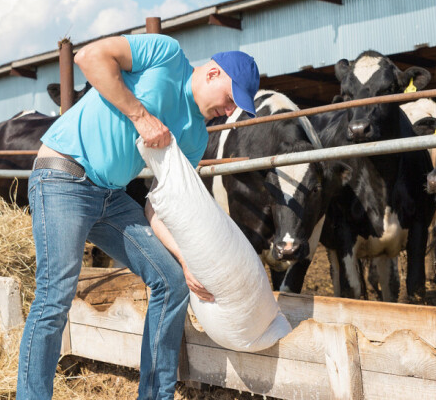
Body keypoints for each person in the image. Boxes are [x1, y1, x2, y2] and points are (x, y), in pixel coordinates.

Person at [16, 34, 260, 399]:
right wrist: (141, 116)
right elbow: (89, 56)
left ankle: (154, 396)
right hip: (62, 177)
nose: (229, 110)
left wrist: (186, 259)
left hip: (110, 198)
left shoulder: (195, 135)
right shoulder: (166, 54)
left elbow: (162, 206)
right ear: (212, 73)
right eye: (230, 99)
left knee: (172, 279)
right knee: (55, 296)